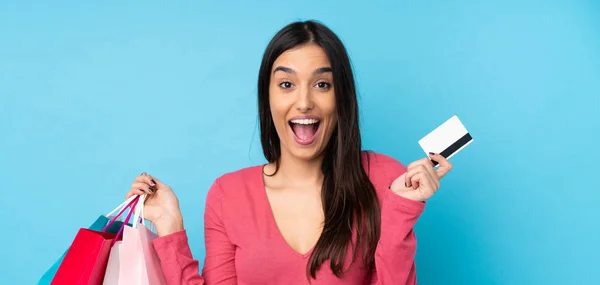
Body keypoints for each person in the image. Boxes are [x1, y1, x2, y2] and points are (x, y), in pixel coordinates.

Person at [126, 20, 452, 285]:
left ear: (343, 99)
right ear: (267, 98)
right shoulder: (229, 194)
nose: (304, 101)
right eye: (286, 85)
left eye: (322, 84)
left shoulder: (383, 178)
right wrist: (170, 227)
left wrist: (401, 208)